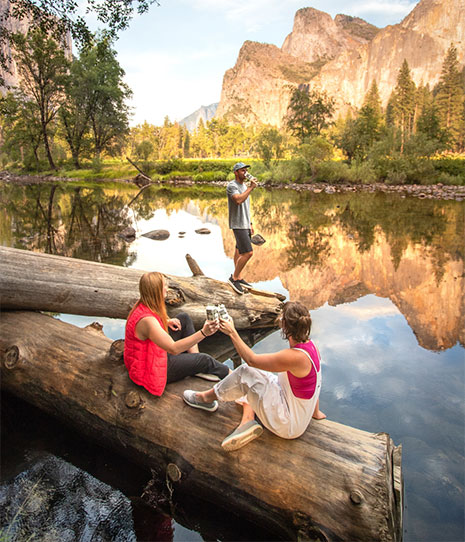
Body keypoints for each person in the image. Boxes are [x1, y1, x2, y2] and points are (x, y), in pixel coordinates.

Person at [182, 301, 326, 452]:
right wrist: (314, 412)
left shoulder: (294, 356)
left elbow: (251, 360)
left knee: (246, 372)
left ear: (284, 324)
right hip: (295, 413)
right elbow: (316, 381)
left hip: (288, 426)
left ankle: (205, 399)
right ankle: (248, 419)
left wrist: (232, 332)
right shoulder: (311, 347)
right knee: (260, 375)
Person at [124, 271, 229, 397]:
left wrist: (167, 321)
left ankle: (195, 363)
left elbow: (152, 324)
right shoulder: (148, 321)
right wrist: (203, 333)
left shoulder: (143, 304)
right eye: (164, 286)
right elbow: (173, 349)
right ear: (157, 291)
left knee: (183, 318)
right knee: (205, 360)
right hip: (150, 369)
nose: (167, 289)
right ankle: (232, 375)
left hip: (150, 355)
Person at [226, 162, 257, 295]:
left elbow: (246, 207)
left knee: (239, 251)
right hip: (238, 224)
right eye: (242, 170)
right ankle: (234, 278)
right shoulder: (232, 186)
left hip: (245, 223)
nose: (245, 172)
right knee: (248, 253)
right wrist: (250, 188)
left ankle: (238, 277)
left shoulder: (244, 186)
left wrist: (250, 223)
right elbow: (238, 200)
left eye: (246, 170)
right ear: (236, 172)